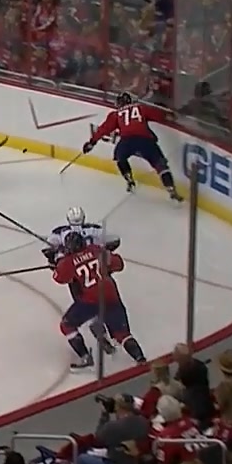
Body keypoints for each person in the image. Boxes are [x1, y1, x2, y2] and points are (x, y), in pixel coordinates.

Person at [53, 231, 148, 369]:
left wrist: (58, 264)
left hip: (90, 301)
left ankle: (85, 356)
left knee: (66, 325)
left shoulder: (68, 261)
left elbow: (59, 277)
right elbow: (119, 264)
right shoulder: (96, 250)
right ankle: (141, 359)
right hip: (111, 296)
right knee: (122, 334)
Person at [81, 91, 183, 201]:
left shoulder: (116, 114)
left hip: (127, 142)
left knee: (119, 157)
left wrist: (92, 142)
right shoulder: (141, 108)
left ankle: (129, 179)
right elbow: (158, 115)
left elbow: (104, 129)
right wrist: (168, 115)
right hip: (145, 141)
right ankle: (171, 189)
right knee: (160, 165)